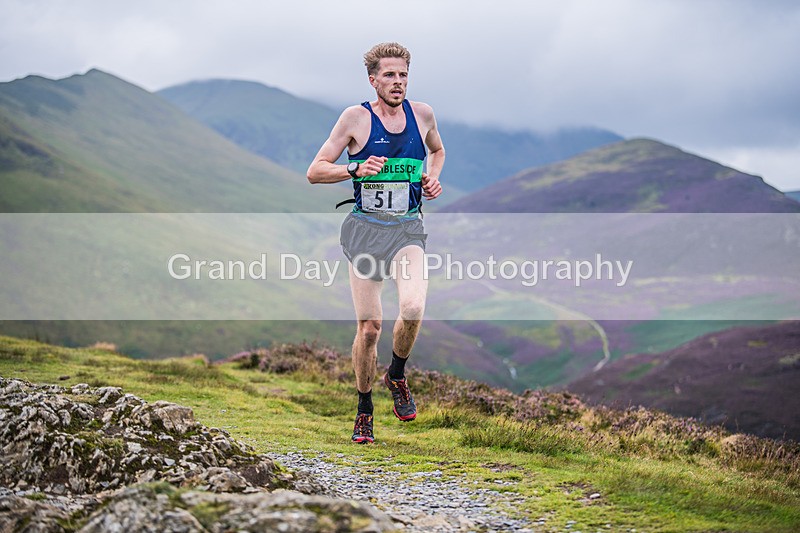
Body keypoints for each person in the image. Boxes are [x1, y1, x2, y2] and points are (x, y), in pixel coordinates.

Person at [307, 42, 444, 443]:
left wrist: (433, 177)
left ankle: (396, 375)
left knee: (414, 307)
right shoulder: (355, 118)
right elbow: (315, 171)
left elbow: (437, 151)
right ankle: (364, 407)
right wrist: (355, 167)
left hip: (406, 229)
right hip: (366, 231)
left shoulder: (423, 115)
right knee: (369, 329)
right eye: (389, 75)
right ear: (373, 80)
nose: (397, 82)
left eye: (403, 75)